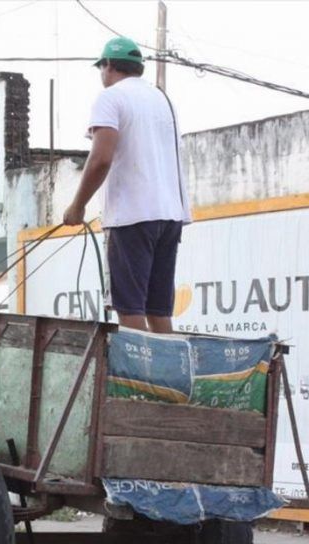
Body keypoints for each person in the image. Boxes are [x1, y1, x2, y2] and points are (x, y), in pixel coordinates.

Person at [62, 36, 189, 333]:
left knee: (129, 307)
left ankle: (139, 365)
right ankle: (165, 364)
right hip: (170, 216)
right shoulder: (162, 100)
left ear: (108, 65)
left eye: (101, 68)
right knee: (158, 309)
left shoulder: (110, 97)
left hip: (132, 216)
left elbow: (100, 159)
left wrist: (77, 206)